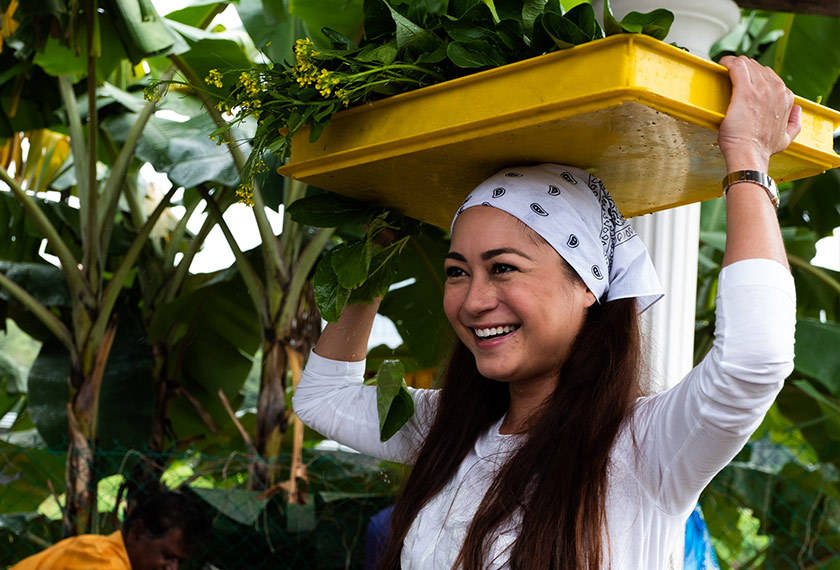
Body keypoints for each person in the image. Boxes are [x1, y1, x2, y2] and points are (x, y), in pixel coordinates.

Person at [292, 55, 800, 569]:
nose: (473, 301)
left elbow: (754, 359)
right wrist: (382, 240)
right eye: (457, 271)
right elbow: (323, 398)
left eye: (503, 268)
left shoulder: (646, 447)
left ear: (587, 285)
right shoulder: (449, 430)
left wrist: (747, 157)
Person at [11, 490, 212, 570]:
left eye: (179, 562)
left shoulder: (99, 550)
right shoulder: (102, 564)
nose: (172, 568)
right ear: (138, 532)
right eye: (167, 556)